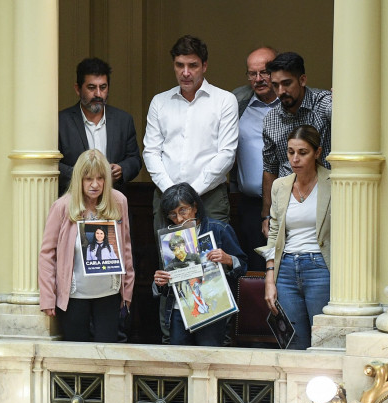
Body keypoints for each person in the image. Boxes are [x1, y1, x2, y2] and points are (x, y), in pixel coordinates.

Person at [143, 35, 239, 231]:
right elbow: (151, 151)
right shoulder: (159, 102)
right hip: (165, 195)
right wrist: (172, 193)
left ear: (204, 66)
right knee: (171, 260)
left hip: (209, 197)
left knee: (212, 259)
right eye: (179, 65)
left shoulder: (224, 101)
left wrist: (188, 195)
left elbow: (227, 155)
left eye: (192, 65)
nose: (185, 72)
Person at [39, 149, 134, 342]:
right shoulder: (62, 206)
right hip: (75, 296)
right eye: (88, 179)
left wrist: (128, 289)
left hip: (109, 292)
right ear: (78, 180)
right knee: (77, 354)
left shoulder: (118, 201)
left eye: (100, 178)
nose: (95, 184)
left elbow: (125, 248)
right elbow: (47, 254)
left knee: (107, 352)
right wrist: (48, 295)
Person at [263, 125, 331, 350]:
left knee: (323, 340)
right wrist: (269, 279)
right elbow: (273, 234)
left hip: (319, 267)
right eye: (291, 152)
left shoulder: (334, 183)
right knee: (293, 342)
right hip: (286, 269)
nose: (295, 159)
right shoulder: (280, 186)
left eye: (303, 153)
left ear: (318, 153)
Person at [152, 183, 246, 346]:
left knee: (208, 358)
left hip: (211, 306)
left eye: (183, 210)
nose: (179, 219)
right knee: (179, 362)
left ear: (195, 207)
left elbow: (242, 266)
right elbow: (165, 284)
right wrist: (159, 282)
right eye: (173, 215)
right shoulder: (169, 237)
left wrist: (228, 259)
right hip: (179, 309)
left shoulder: (218, 229)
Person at [261, 52, 332, 236]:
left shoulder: (322, 105)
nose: (281, 91)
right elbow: (270, 167)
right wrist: (267, 214)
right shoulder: (271, 120)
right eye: (275, 85)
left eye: (287, 83)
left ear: (302, 80)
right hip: (288, 204)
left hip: (325, 201)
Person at [58, 57, 142, 195]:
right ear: (78, 89)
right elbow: (53, 165)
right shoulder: (61, 122)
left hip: (113, 204)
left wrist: (122, 169)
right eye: (91, 87)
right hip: (73, 204)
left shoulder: (123, 120)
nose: (98, 94)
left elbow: (134, 159)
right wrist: (81, 175)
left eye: (103, 87)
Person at [231, 46, 280, 268]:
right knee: (254, 273)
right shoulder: (236, 102)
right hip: (249, 206)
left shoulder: (295, 102)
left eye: (265, 72)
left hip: (290, 203)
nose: (259, 79)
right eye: (253, 73)